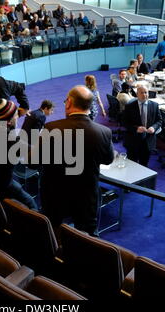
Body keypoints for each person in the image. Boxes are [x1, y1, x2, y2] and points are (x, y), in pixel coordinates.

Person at [36, 85, 115, 236]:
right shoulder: (104, 132)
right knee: (89, 236)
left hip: (55, 194)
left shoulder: (51, 128)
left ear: (69, 103)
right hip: (86, 196)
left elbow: (35, 161)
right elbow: (108, 159)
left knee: (52, 232)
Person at [0, 99, 38, 210]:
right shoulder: (12, 140)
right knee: (31, 204)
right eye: (16, 115)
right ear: (9, 121)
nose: (18, 117)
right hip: (3, 184)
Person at [123, 85, 162, 167]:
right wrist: (136, 128)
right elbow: (124, 122)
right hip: (133, 140)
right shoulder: (129, 106)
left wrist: (153, 127)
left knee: (144, 166)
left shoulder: (155, 105)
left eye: (146, 92)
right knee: (131, 166)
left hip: (148, 141)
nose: (144, 95)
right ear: (137, 94)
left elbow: (159, 121)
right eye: (142, 93)